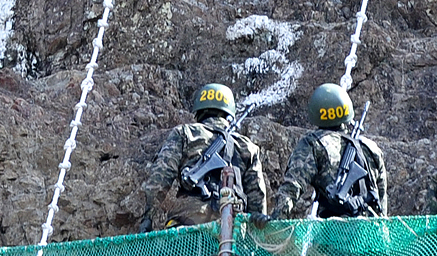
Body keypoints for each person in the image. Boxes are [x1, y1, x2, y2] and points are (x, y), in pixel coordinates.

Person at [139, 83, 267, 230]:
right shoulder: (248, 147)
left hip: (188, 226)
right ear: (229, 113)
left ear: (199, 111)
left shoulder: (185, 133)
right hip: (233, 229)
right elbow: (258, 202)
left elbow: (159, 178)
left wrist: (148, 217)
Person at [261, 83, 386, 222]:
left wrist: (275, 222)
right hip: (372, 234)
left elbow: (292, 188)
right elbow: (381, 202)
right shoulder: (371, 148)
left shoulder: (313, 144)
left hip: (333, 234)